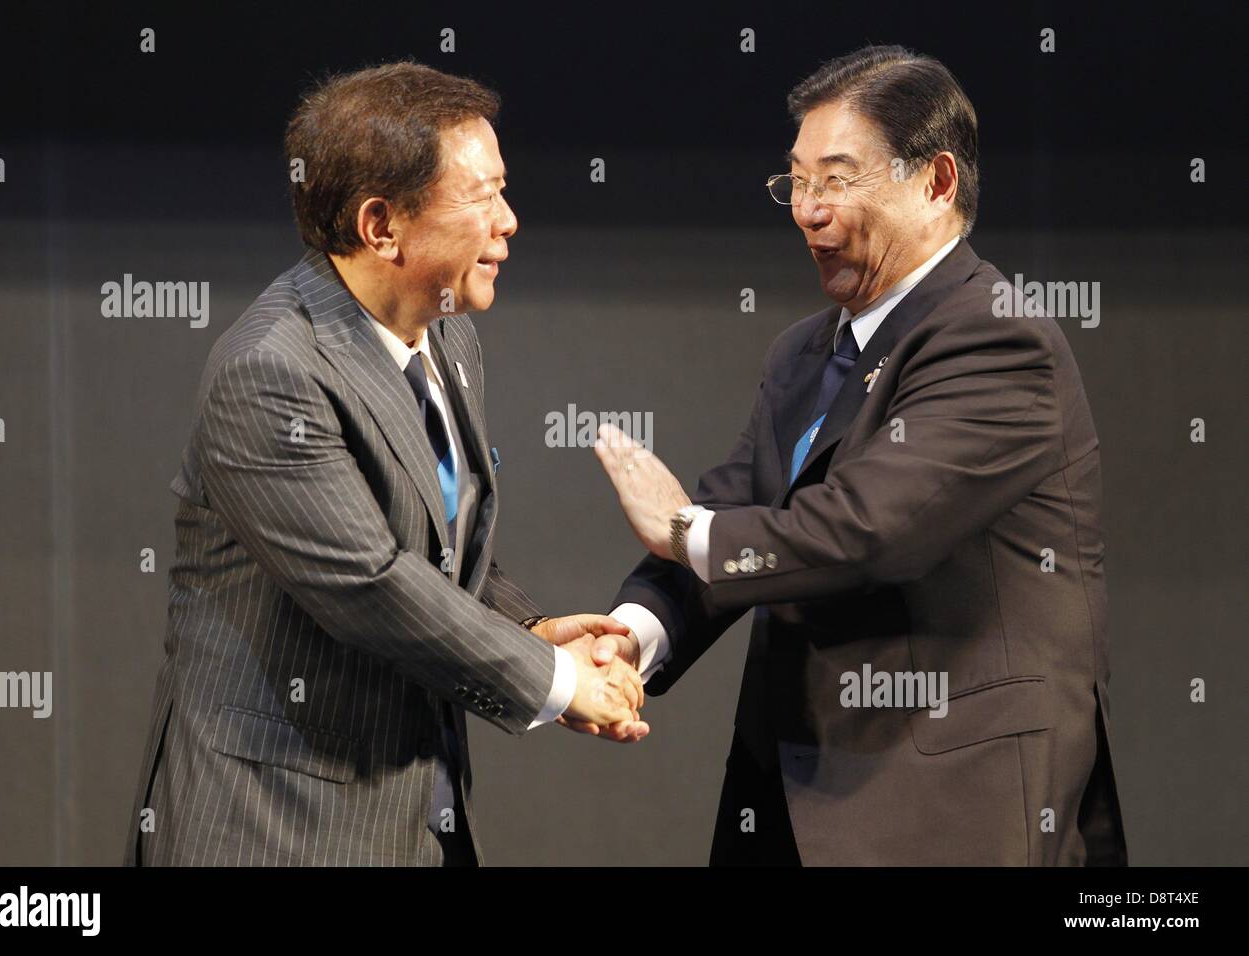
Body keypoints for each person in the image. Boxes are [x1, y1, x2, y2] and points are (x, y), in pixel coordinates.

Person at [570, 45, 1127, 865]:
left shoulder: (998, 335)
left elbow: (870, 532)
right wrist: (632, 634)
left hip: (946, 816)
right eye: (794, 181)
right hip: (786, 803)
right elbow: (741, 515)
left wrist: (684, 526)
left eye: (836, 179)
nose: (806, 209)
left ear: (937, 182)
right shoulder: (802, 354)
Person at [124, 62, 647, 868]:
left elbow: (428, 545)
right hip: (275, 828)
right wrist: (555, 678)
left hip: (416, 817)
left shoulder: (447, 334)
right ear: (381, 227)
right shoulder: (272, 370)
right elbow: (369, 583)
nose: (508, 221)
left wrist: (530, 625)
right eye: (483, 197)